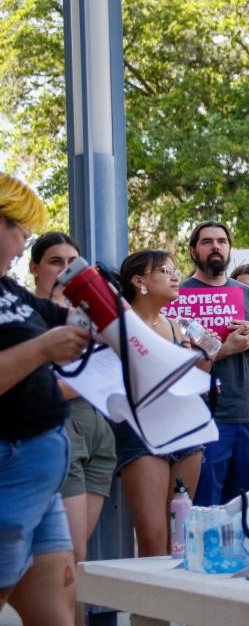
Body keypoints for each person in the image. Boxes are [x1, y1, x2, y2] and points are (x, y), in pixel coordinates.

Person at [0, 174, 91, 624]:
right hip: (8, 475)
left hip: (39, 477)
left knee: (60, 603)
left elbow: (74, 323)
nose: (23, 246)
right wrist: (40, 348)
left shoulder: (8, 291)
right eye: (21, 233)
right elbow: (48, 341)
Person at [30, 232, 116, 621]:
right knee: (72, 557)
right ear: (34, 268)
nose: (65, 270)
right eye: (55, 262)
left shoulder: (87, 313)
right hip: (61, 431)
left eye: (73, 263)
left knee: (80, 556)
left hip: (101, 431)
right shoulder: (27, 317)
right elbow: (33, 385)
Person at [115, 250, 206, 559]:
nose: (175, 276)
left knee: (181, 535)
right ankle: (149, 609)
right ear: (139, 281)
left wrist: (206, 356)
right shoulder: (121, 325)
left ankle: (177, 607)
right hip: (142, 433)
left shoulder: (177, 326)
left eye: (175, 270)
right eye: (165, 271)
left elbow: (194, 377)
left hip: (185, 431)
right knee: (153, 540)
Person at [183, 221, 249, 506]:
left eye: (222, 241)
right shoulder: (179, 296)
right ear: (193, 250)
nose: (216, 246)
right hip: (204, 418)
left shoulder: (248, 294)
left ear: (229, 249)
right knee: (206, 507)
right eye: (207, 241)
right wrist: (226, 349)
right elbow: (175, 364)